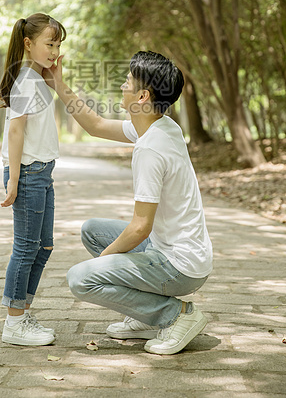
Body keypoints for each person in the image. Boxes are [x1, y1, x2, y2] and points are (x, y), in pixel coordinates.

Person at [45, 50, 213, 355]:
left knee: (80, 279)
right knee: (92, 230)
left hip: (180, 266)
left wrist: (103, 262)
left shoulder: (150, 148)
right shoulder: (161, 125)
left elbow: (140, 228)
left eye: (127, 81)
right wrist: (59, 82)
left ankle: (175, 316)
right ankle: (145, 314)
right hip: (177, 252)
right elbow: (95, 125)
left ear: (143, 96)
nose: (122, 86)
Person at [0, 12, 66, 346]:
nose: (54, 51)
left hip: (43, 172)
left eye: (57, 44)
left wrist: (56, 78)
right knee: (25, 248)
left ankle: (22, 312)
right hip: (28, 173)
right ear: (29, 43)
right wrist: (13, 180)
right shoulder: (25, 80)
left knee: (44, 246)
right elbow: (15, 130)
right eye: (48, 43)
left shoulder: (38, 79)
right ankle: (14, 322)